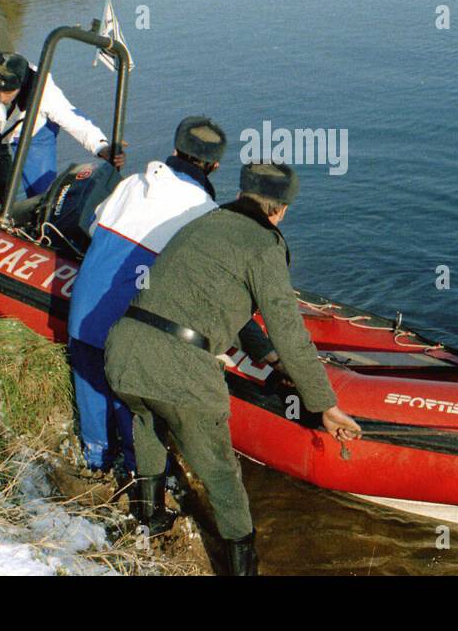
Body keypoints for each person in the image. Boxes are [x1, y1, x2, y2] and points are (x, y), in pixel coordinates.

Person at [104, 162, 362, 575]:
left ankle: (147, 519)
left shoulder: (205, 223)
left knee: (148, 420)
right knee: (221, 474)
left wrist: (267, 354)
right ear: (281, 210)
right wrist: (325, 404)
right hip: (180, 368)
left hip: (124, 351)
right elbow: (290, 332)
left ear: (242, 195)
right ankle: (243, 564)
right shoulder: (264, 245)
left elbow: (221, 305)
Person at [67, 116, 227, 475]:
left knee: (92, 392)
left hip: (82, 319)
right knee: (137, 406)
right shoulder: (206, 215)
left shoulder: (129, 184)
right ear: (215, 167)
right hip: (130, 337)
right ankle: (143, 477)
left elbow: (94, 229)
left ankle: (95, 464)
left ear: (174, 150)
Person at [0, 51, 123, 201]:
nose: (1, 97)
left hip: (34, 132)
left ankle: (42, 230)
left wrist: (101, 146)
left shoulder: (43, 88)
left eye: (8, 91)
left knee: (42, 190)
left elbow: (71, 118)